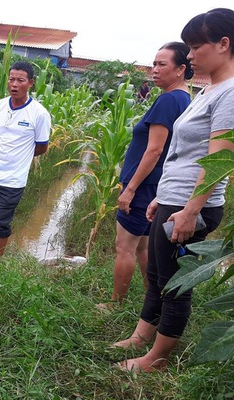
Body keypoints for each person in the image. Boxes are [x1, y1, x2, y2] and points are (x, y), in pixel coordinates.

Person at [114, 8, 234, 373]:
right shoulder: (210, 89)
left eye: (196, 47)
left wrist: (190, 210)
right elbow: (184, 153)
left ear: (224, 44)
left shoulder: (229, 94)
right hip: (174, 199)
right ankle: (141, 336)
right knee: (157, 275)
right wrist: (161, 199)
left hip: (190, 204)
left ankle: (157, 359)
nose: (191, 55)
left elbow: (220, 159)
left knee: (174, 284)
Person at [98, 42, 192, 310]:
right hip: (157, 185)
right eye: (154, 63)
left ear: (180, 69)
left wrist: (130, 189)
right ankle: (154, 298)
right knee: (144, 247)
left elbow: (154, 151)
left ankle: (115, 304)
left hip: (144, 185)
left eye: (162, 64)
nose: (154, 70)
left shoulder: (168, 100)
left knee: (124, 246)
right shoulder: (184, 99)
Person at [0, 61, 51, 257]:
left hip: (13, 180)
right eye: (11, 79)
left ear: (30, 83)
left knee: (1, 222)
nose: (14, 84)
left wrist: (21, 155)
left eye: (20, 80)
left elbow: (42, 147)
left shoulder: (39, 114)